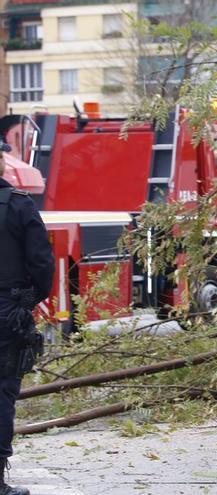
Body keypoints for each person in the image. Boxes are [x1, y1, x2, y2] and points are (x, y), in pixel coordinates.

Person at [0, 141, 53, 495]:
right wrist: (30, 298)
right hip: (7, 312)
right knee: (2, 391)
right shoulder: (18, 206)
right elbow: (42, 264)